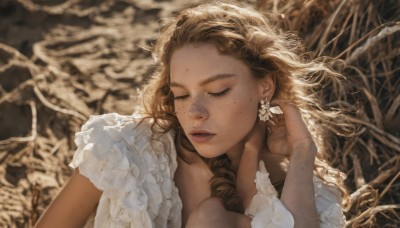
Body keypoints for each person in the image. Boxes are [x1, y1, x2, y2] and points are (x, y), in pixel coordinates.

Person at [35, 1, 350, 227]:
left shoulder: (299, 185)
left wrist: (301, 154)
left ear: (265, 87)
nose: (194, 113)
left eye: (217, 92)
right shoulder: (125, 154)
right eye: (181, 95)